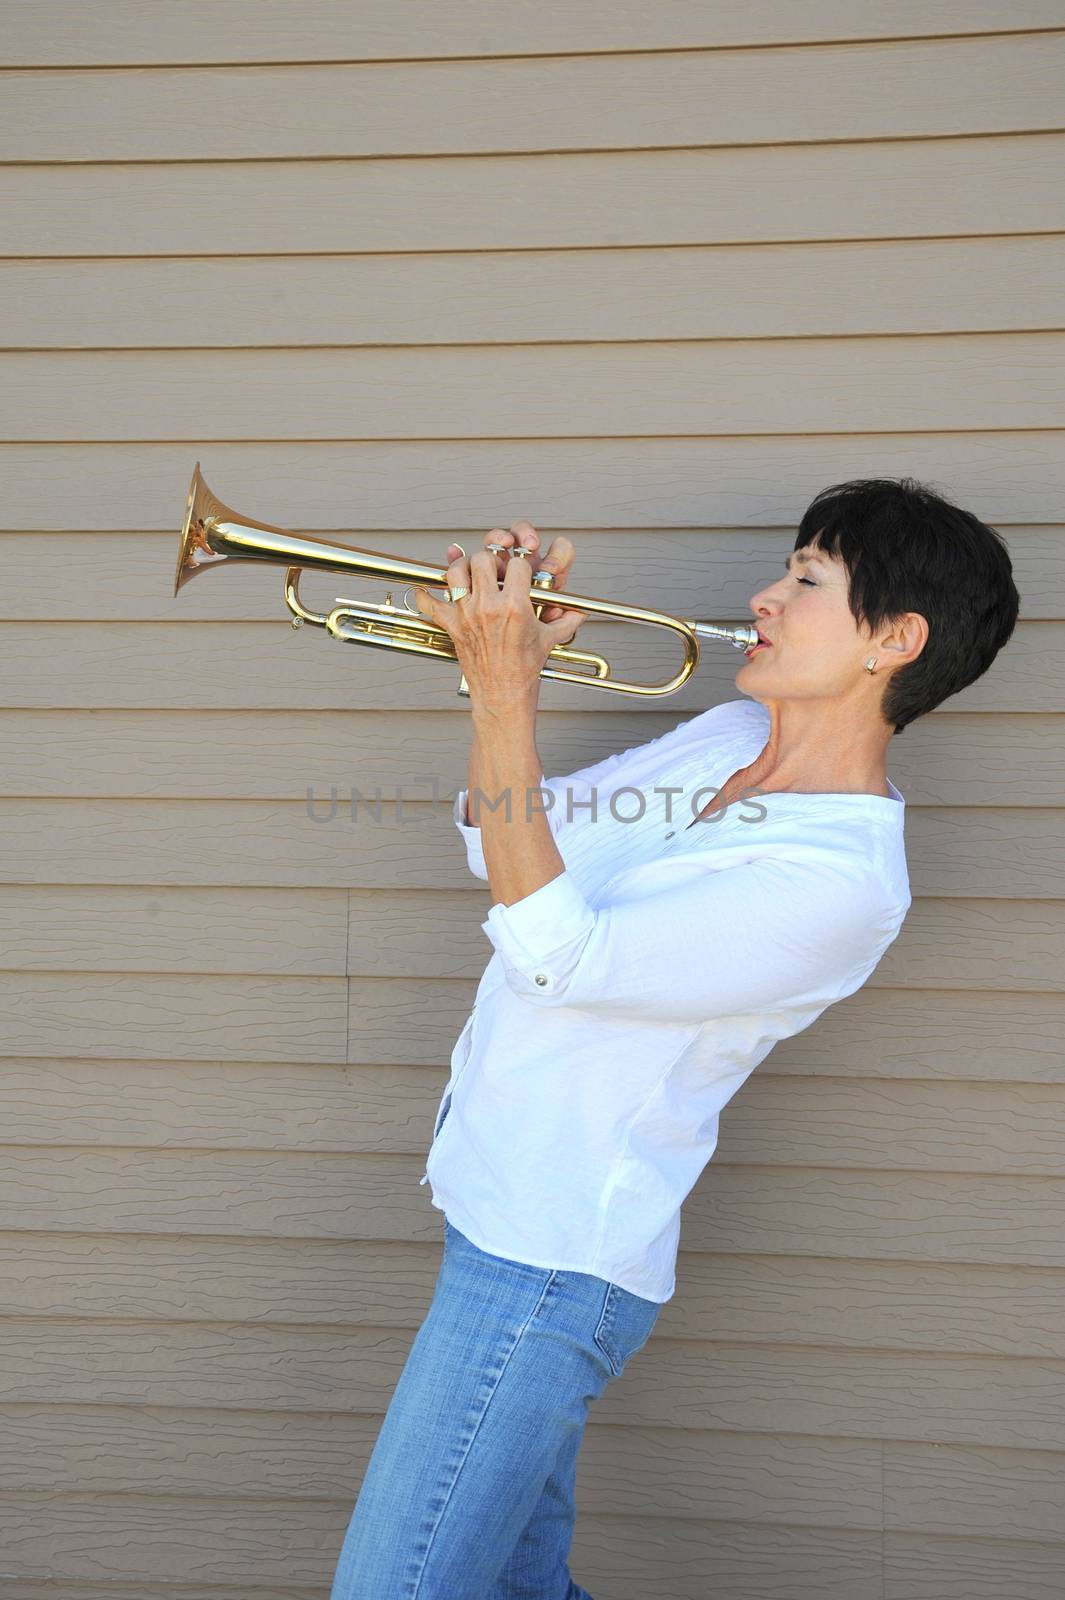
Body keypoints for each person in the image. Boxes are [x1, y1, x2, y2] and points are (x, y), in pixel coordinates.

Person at [328, 477, 1020, 1599]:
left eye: (806, 579)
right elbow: (502, 847)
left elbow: (557, 955)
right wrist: (507, 676)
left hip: (549, 1267)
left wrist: (504, 692)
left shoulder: (841, 881)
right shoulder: (730, 734)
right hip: (491, 1208)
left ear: (895, 640)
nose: (765, 596)